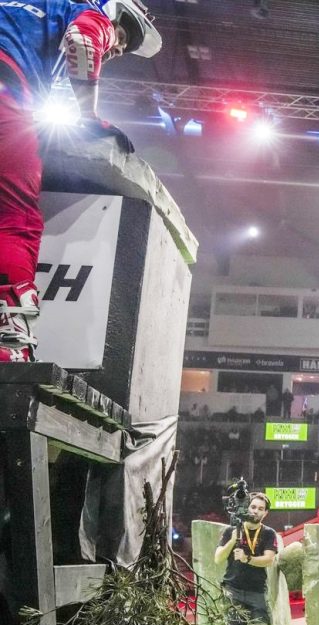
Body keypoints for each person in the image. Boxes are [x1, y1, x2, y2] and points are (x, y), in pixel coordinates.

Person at [0, 1, 161, 363]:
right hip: (6, 79)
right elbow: (84, 40)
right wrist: (87, 114)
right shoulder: (88, 11)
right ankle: (10, 338)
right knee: (15, 218)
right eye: (122, 37)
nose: (118, 49)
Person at [213, 492, 278, 625]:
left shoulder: (269, 533)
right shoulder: (231, 530)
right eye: (253, 507)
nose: (256, 511)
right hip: (233, 590)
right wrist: (232, 541)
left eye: (260, 509)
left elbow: (269, 559)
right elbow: (218, 558)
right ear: (246, 508)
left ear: (265, 513)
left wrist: (247, 558)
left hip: (256, 591)